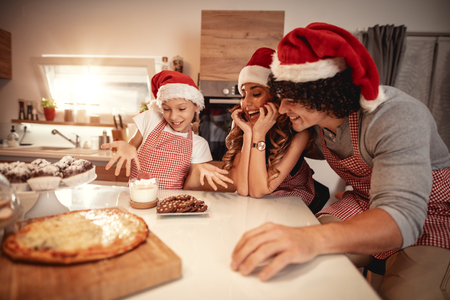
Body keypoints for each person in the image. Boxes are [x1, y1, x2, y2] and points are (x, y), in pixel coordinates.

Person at [230, 23, 450, 300]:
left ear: (320, 93)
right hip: (361, 203)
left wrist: (311, 239)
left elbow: (402, 220)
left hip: (431, 214)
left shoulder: (395, 115)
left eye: (290, 100)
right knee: (299, 273)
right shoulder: (316, 128)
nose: (283, 109)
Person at [222, 47, 326, 208]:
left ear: (277, 98)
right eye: (243, 95)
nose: (246, 102)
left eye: (256, 94)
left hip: (292, 199)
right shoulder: (243, 125)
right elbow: (242, 188)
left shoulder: (299, 133)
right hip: (257, 198)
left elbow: (259, 190)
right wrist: (249, 134)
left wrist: (259, 134)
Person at [102, 70, 233, 191]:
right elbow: (131, 146)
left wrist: (198, 171)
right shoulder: (151, 118)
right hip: (137, 200)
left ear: (197, 106)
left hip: (170, 207)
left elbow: (189, 189)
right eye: (166, 109)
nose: (173, 117)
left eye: (181, 109)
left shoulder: (199, 145)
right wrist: (128, 147)